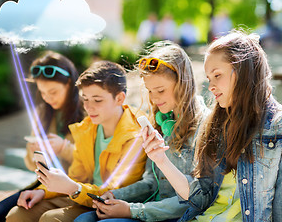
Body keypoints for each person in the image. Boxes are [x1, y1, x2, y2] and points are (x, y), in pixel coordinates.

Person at [142, 31, 282, 221]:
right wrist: (160, 159)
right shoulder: (214, 123)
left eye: (217, 75)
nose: (211, 86)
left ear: (243, 70)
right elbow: (199, 197)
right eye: (208, 78)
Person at [74, 41, 209, 222]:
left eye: (160, 90)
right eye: (150, 90)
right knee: (83, 219)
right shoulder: (161, 121)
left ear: (183, 84)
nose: (154, 98)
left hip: (174, 215)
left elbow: (197, 198)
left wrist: (132, 210)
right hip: (149, 209)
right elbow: (151, 182)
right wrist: (114, 195)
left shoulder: (205, 126)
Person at [5, 61, 147, 221]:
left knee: (51, 219)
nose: (88, 107)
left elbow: (115, 190)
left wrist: (75, 188)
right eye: (85, 99)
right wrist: (43, 191)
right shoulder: (87, 128)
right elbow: (76, 175)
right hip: (81, 194)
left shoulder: (135, 136)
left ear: (120, 98)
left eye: (97, 100)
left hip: (109, 204)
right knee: (17, 215)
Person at [0, 51, 84, 222]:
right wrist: (34, 152)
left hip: (73, 186)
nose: (48, 98)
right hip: (42, 185)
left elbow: (91, 162)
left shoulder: (89, 113)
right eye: (42, 92)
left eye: (53, 91)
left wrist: (64, 148)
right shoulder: (43, 113)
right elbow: (30, 164)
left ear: (69, 83)